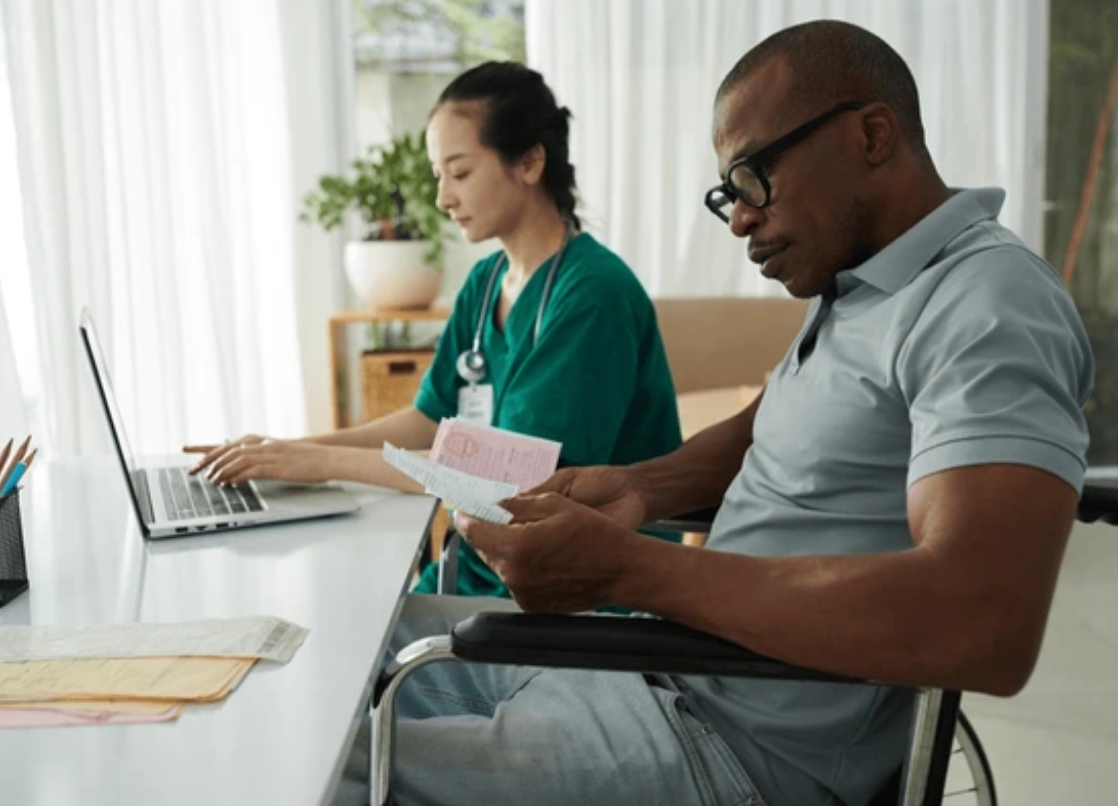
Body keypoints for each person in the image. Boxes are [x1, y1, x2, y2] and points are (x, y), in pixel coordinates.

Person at [377, 20, 1094, 806]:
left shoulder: (987, 302)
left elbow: (981, 621)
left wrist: (633, 568)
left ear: (873, 135)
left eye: (751, 178)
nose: (740, 219)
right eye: (728, 193)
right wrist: (639, 490)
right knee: (352, 648)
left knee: (337, 766)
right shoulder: (858, 291)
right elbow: (770, 433)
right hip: (668, 671)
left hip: (731, 748)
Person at [186, 62, 681, 599]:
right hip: (478, 574)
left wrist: (323, 463)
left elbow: (512, 482)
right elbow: (428, 419)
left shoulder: (591, 294)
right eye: (437, 174)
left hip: (570, 598)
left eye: (460, 172)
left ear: (531, 162)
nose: (443, 197)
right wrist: (283, 453)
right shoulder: (486, 282)